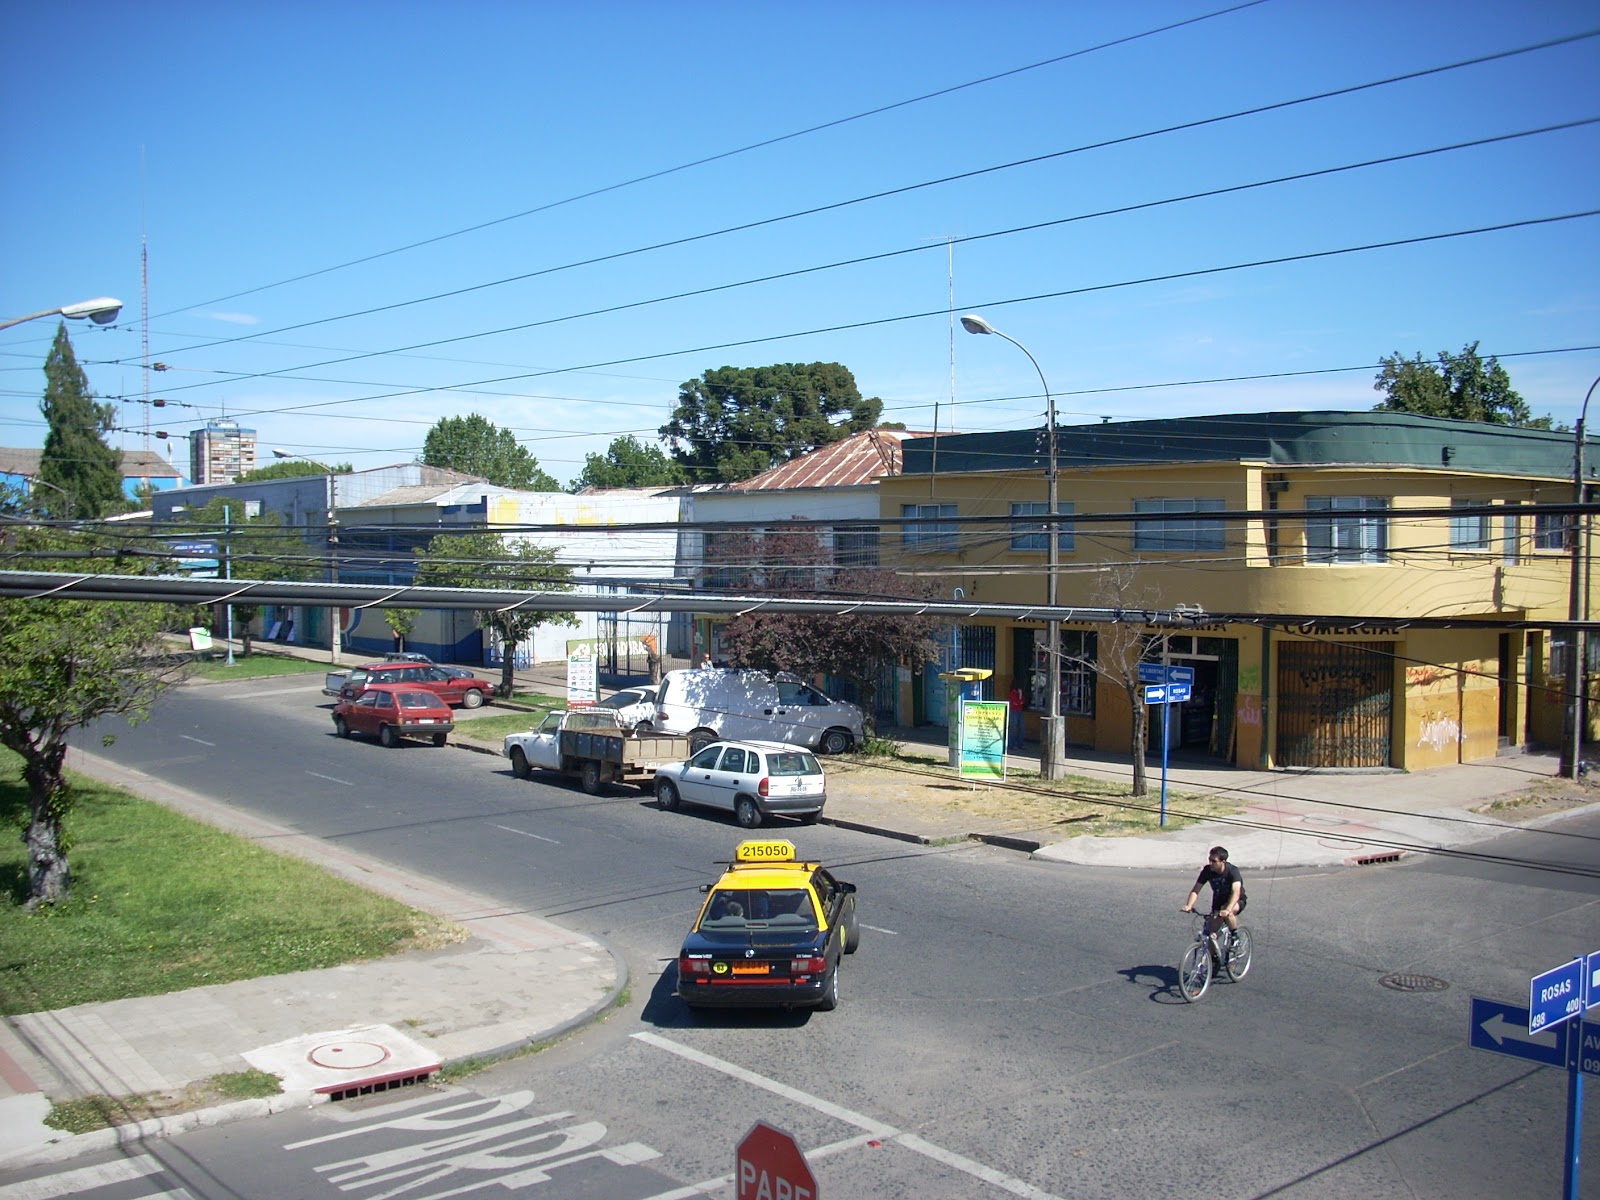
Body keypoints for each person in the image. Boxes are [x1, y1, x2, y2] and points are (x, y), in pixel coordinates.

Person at [1181, 845, 1246, 952]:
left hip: (1237, 900)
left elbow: (1236, 892)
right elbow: (1196, 889)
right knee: (1210, 934)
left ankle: (1235, 937)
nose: (1210, 863)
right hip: (1218, 902)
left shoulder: (1232, 871)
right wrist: (1189, 905)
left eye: (1213, 861)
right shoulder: (1207, 870)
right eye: (1209, 860)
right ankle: (1213, 959)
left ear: (1223, 862)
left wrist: (1227, 910)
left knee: (1228, 912)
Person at [1007, 682, 1025, 751]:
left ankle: (1020, 744)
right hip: (1013, 711)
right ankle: (1011, 744)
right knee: (1013, 728)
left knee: (1022, 727)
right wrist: (1019, 701)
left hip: (1020, 711)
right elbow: (1015, 703)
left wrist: (1020, 696)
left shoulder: (1020, 694)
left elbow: (1022, 702)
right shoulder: (1012, 693)